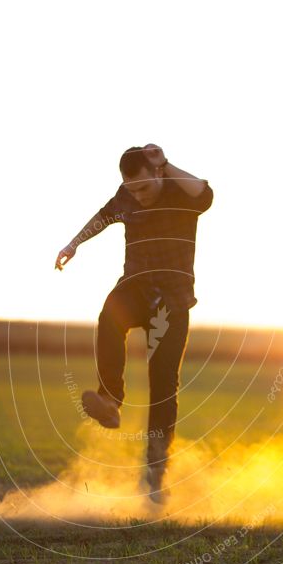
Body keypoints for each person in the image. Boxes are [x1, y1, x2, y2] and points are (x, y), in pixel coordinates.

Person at [55, 144, 213, 502]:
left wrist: (167, 163)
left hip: (172, 302)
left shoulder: (179, 193)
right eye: (131, 190)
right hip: (137, 290)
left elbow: (205, 194)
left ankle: (155, 474)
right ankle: (110, 399)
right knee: (110, 314)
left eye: (143, 188)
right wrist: (74, 243)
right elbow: (104, 215)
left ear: (157, 174)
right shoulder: (127, 195)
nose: (137, 197)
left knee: (163, 386)